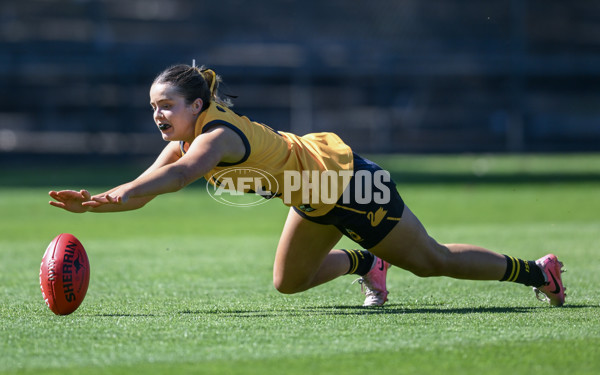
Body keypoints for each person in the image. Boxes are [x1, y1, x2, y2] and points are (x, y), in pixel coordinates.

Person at [49, 64, 566, 307]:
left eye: (166, 106)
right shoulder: (186, 139)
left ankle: (536, 273)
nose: (158, 114)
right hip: (310, 195)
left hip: (349, 187)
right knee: (289, 283)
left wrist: (118, 194)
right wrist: (96, 204)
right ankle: (368, 263)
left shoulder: (213, 139)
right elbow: (144, 186)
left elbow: (179, 178)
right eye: (153, 108)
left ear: (197, 106)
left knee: (434, 262)